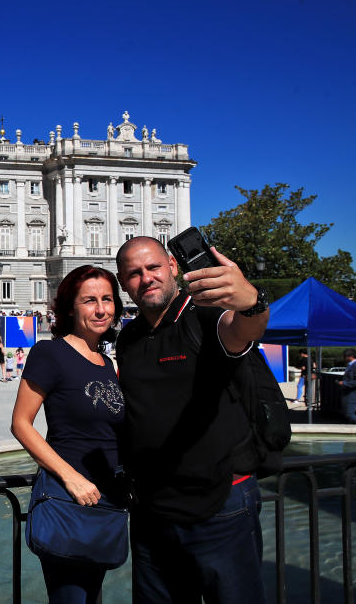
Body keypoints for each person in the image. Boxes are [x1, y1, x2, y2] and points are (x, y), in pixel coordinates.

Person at [115, 236, 270, 603]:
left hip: (220, 506)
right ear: (123, 283)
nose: (146, 278)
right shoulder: (130, 337)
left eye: (153, 267)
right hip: (153, 513)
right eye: (134, 274)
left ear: (172, 266)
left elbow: (242, 330)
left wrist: (253, 303)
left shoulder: (204, 315)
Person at [10, 265, 126, 603]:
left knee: (92, 596)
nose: (101, 308)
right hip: (68, 497)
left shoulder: (107, 364)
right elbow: (21, 423)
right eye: (89, 300)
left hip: (106, 498)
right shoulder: (51, 353)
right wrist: (70, 476)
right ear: (70, 307)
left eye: (107, 299)